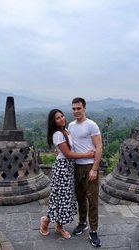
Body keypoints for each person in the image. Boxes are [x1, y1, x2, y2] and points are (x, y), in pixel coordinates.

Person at [40, 109, 94, 239]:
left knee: (66, 199)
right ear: (53, 121)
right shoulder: (58, 134)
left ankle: (59, 226)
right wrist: (87, 154)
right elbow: (68, 154)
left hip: (69, 168)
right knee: (60, 198)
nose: (61, 119)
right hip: (62, 168)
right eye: (57, 118)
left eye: (62, 116)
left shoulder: (66, 131)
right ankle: (46, 222)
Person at [68, 97, 103, 247]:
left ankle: (93, 231)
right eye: (74, 108)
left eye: (79, 108)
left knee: (92, 201)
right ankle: (82, 223)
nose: (76, 111)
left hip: (89, 166)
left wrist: (95, 168)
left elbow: (99, 147)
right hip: (76, 166)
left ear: (84, 109)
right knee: (80, 198)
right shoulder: (71, 125)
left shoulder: (91, 125)